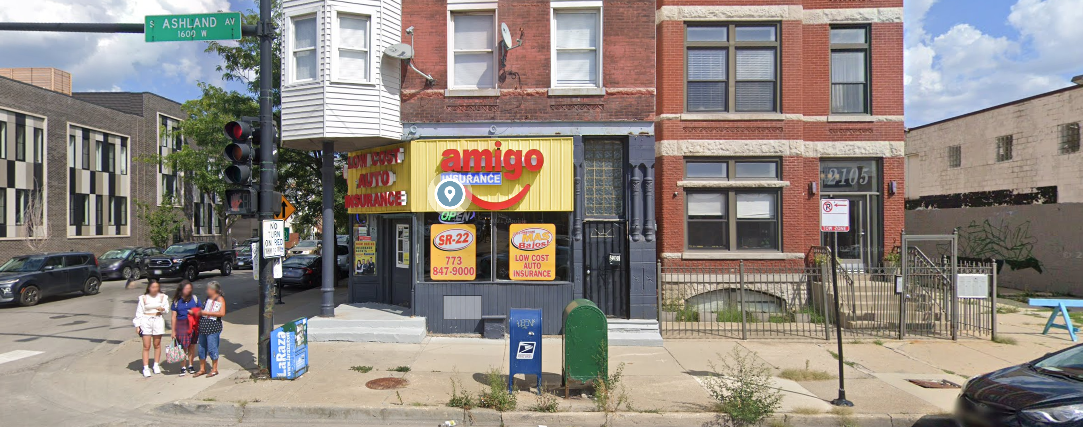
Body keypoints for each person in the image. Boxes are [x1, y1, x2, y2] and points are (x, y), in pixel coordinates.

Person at [133, 281, 170, 378]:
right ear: (149, 288)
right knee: (146, 345)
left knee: (157, 344)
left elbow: (166, 309)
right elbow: (139, 312)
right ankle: (145, 367)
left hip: (157, 320)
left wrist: (162, 309)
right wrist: (137, 325)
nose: (155, 289)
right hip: (146, 321)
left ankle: (156, 365)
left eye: (157, 287)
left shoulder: (163, 297)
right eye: (153, 287)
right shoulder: (143, 298)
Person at [195, 281, 226, 378]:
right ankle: (202, 368)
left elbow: (222, 313)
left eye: (208, 289)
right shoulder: (208, 298)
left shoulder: (220, 299)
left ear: (214, 290)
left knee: (212, 348)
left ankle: (214, 369)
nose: (207, 291)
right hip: (203, 326)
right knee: (201, 348)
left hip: (213, 327)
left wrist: (207, 313)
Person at [169, 281, 199, 376]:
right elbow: (173, 316)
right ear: (182, 289)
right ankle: (183, 366)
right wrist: (173, 331)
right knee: (182, 347)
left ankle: (190, 365)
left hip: (193, 324)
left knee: (192, 345)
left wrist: (194, 312)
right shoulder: (177, 301)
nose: (188, 290)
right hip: (181, 325)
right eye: (186, 288)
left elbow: (200, 310)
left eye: (190, 288)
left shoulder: (195, 299)